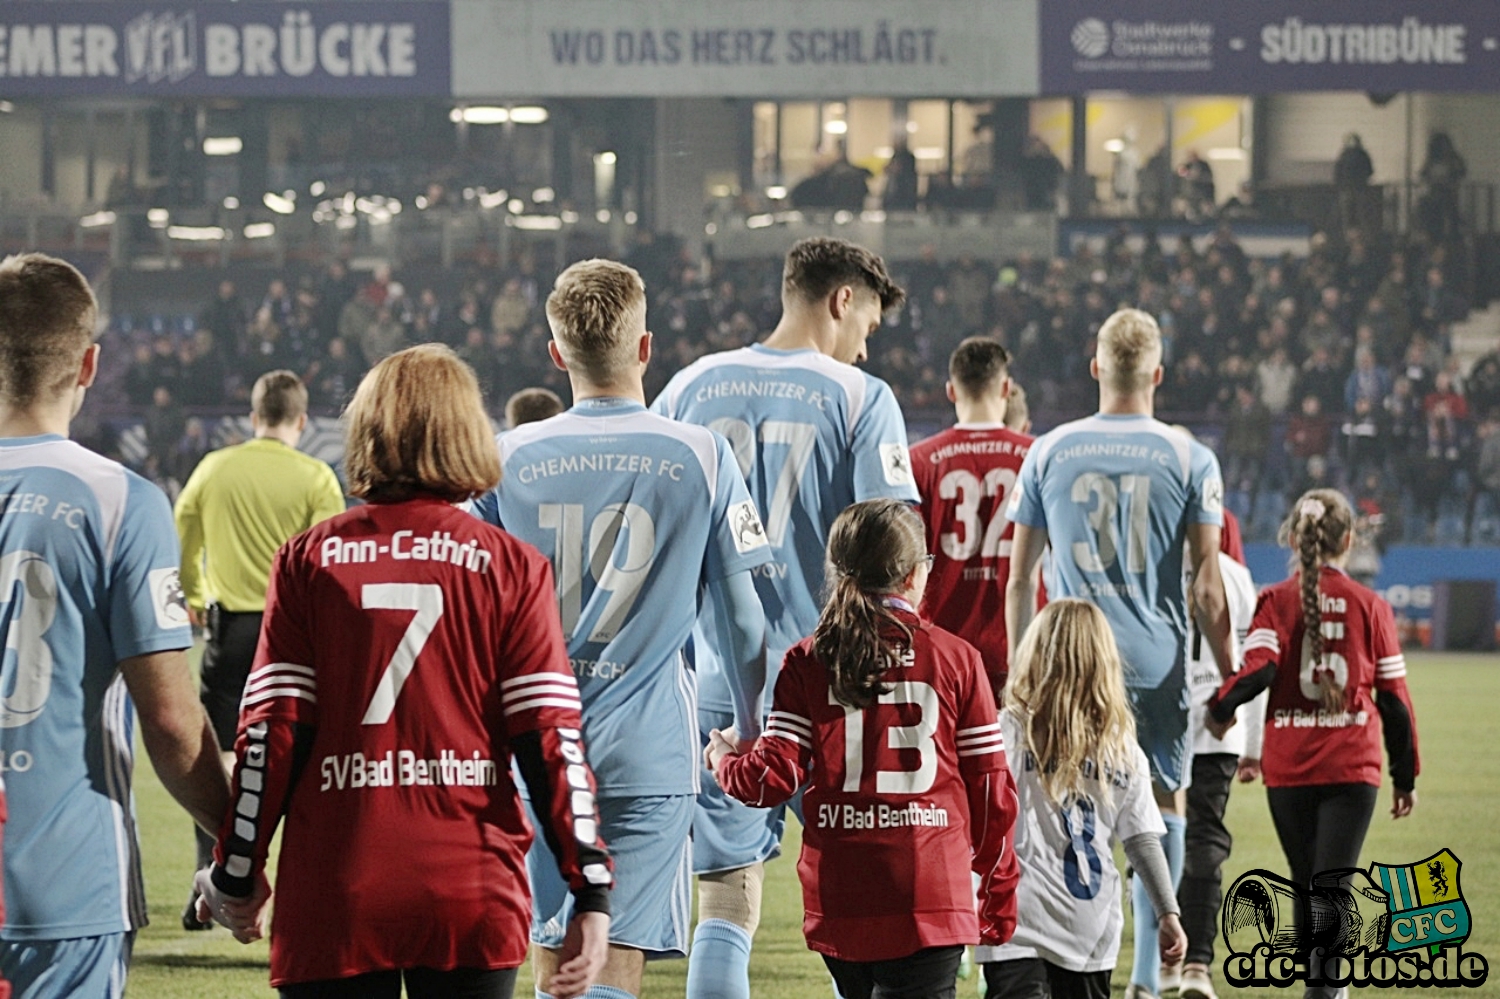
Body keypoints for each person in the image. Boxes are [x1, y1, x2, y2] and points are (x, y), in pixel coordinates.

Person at [194, 345, 613, 999]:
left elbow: (272, 733)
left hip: (337, 883)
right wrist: (589, 885)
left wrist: (236, 873)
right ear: (467, 433)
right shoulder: (512, 565)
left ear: (365, 430)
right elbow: (551, 736)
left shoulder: (309, 559)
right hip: (470, 885)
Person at [473, 260, 771, 999]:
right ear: (645, 349)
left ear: (556, 354)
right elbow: (743, 616)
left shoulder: (505, 460)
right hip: (648, 748)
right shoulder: (701, 454)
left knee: (557, 958)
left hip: (537, 747)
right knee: (616, 957)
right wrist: (748, 721)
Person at [651, 236, 917, 999]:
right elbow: (895, 552)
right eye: (868, 320)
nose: (866, 343)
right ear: (841, 300)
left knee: (726, 898)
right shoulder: (862, 398)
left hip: (716, 678)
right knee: (861, 900)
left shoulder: (689, 387)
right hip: (837, 683)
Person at [0, 253, 231, 997]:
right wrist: (239, 843)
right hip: (64, 884)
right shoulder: (120, 501)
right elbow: (170, 720)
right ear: (91, 363)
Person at [1004, 308, 1233, 999]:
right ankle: (1143, 973)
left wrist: (1023, 669)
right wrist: (1227, 679)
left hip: (1067, 663)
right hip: (1158, 665)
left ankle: (1048, 947)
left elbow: (1020, 577)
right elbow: (1208, 586)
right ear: (1158, 374)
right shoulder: (1191, 456)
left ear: (1096, 365)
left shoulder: (1048, 449)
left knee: (1048, 809)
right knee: (1154, 811)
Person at [708, 499, 1019, 999]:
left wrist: (723, 759)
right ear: (917, 574)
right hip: (928, 891)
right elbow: (991, 792)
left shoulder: (807, 660)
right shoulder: (957, 658)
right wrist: (999, 890)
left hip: (842, 898)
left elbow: (769, 780)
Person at [1208, 489, 1419, 999]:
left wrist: (1220, 709)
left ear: (1293, 537)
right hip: (1352, 768)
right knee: (1332, 887)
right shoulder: (1371, 605)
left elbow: (1260, 670)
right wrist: (1404, 775)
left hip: (1290, 767)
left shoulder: (1275, 601)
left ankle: (1322, 986)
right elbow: (1394, 702)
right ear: (1348, 540)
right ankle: (1325, 989)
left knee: (1308, 884)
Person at [173, 370, 346, 928]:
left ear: (253, 416)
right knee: (294, 758)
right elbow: (328, 561)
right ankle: (298, 892)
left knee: (222, 755)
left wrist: (194, 595)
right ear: (301, 420)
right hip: (291, 637)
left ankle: (213, 882)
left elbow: (182, 532)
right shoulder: (316, 475)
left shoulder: (214, 468)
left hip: (227, 631)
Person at [978, 600, 1187, 999]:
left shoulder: (1009, 730)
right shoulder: (1120, 745)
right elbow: (1142, 841)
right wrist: (1168, 912)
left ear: (1035, 655)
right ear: (1104, 662)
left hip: (1016, 919)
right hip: (1089, 926)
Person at [910, 338, 1033, 694]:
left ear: (951, 391)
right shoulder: (1036, 457)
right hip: (1019, 651)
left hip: (942, 653)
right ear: (1006, 388)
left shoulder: (919, 461)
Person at [1173, 509, 1261, 999]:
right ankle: (1197, 965)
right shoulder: (1235, 575)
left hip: (1159, 719)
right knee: (1206, 834)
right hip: (1218, 721)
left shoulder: (1152, 568)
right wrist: (1252, 746)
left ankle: (1156, 960)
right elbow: (1252, 663)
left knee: (1153, 834)